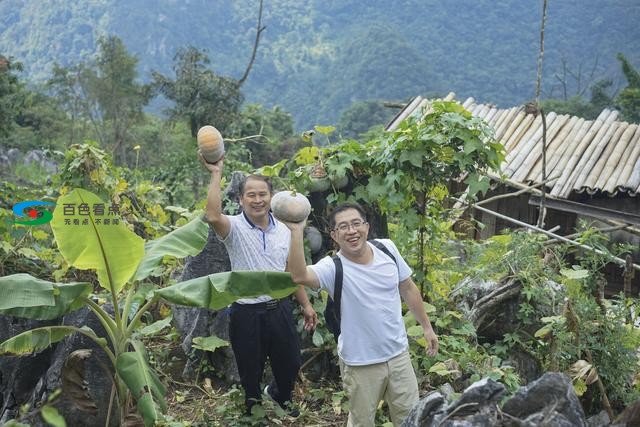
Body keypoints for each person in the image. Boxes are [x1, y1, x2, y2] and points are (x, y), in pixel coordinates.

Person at [285, 202, 439, 426]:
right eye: (344, 227)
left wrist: (426, 327)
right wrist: (297, 232)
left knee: (411, 420)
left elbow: (407, 287)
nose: (352, 231)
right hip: (360, 363)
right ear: (334, 235)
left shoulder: (387, 248)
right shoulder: (332, 267)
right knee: (361, 422)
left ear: (366, 226)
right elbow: (298, 275)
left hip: (398, 356)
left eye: (356, 223)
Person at [200, 154, 318, 417]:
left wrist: (306, 305)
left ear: (271, 197)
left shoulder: (285, 230)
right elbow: (211, 214)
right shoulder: (234, 228)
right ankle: (252, 408)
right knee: (249, 367)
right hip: (246, 312)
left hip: (280, 309)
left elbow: (290, 273)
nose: (257, 200)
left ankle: (280, 396)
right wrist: (216, 172)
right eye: (250, 195)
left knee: (290, 362)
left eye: (262, 194)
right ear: (241, 199)